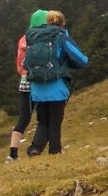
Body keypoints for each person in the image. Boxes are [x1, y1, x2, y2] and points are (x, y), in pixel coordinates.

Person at [24, 10, 88, 155]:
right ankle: (55, 150)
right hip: (57, 85)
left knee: (42, 121)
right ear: (62, 23)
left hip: (37, 85)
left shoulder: (35, 37)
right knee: (55, 121)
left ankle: (35, 148)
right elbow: (81, 59)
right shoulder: (61, 36)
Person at [8, 9, 48, 160]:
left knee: (24, 117)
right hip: (40, 82)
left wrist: (23, 74)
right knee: (44, 116)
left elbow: (19, 64)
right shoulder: (45, 37)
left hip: (25, 81)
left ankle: (13, 152)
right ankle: (37, 147)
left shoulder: (24, 39)